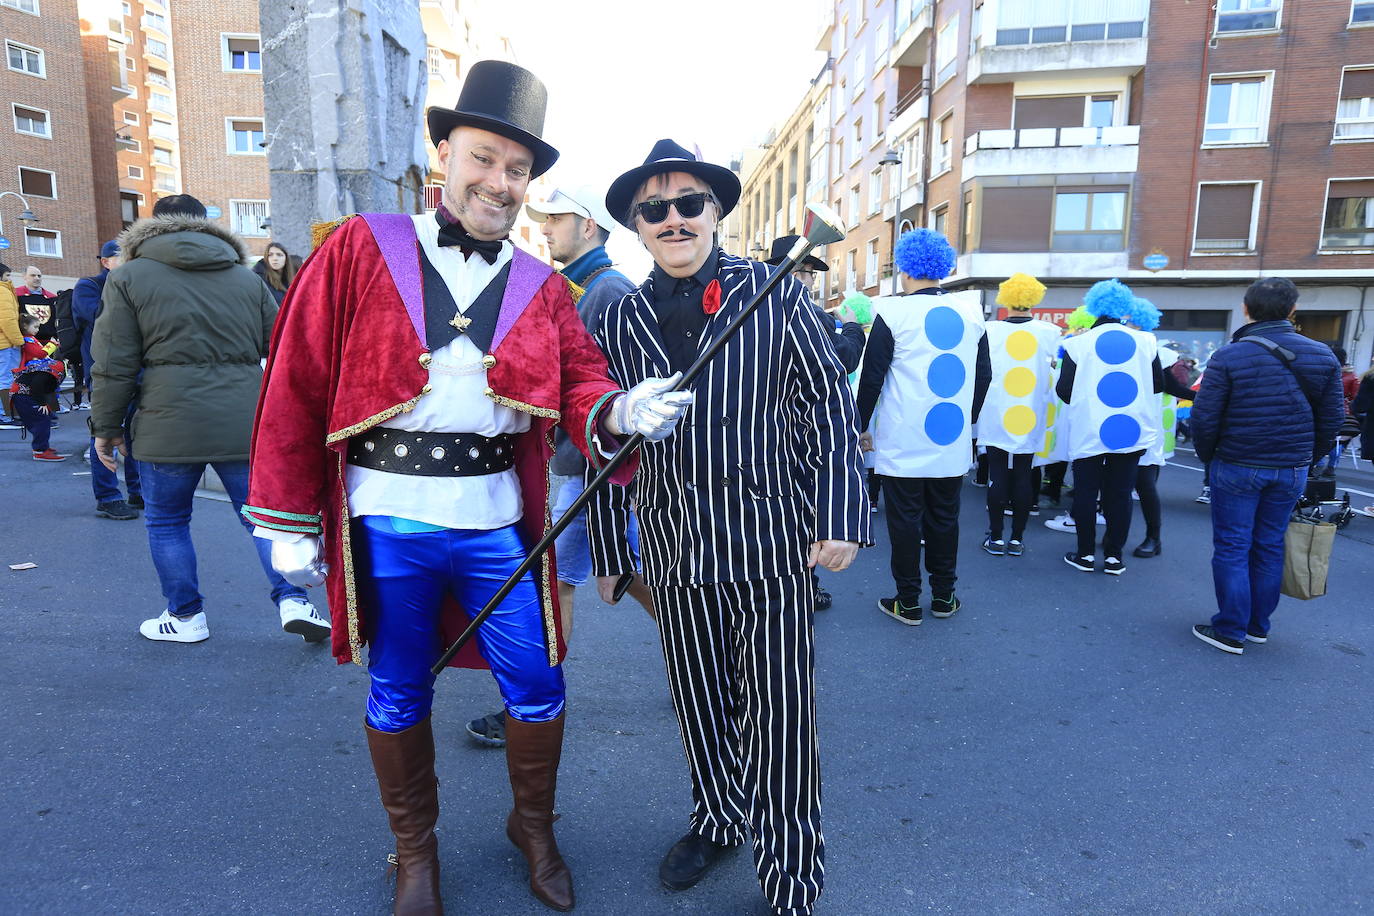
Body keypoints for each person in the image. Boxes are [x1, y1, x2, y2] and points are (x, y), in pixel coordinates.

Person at [243, 63, 691, 915]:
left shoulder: (541, 286)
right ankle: (415, 853)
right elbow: (295, 379)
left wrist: (623, 411)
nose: (500, 182)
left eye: (518, 170)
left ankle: (535, 828)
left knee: (539, 684)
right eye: (484, 158)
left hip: (494, 523)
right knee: (398, 687)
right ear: (442, 153)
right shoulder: (359, 246)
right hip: (387, 519)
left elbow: (581, 386)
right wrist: (287, 517)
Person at [591, 139, 869, 916]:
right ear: (637, 228)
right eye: (655, 209)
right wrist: (613, 550)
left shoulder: (775, 292)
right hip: (676, 549)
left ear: (715, 213)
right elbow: (606, 443)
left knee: (782, 716)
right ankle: (718, 817)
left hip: (770, 548)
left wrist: (839, 515)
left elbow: (828, 413)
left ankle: (790, 876)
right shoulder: (617, 316)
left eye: (689, 204)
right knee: (698, 699)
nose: (673, 219)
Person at [460, 182, 652, 751]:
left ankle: (531, 704)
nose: (544, 228)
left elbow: (588, 383)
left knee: (557, 584)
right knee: (617, 577)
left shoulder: (604, 287)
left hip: (586, 467)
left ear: (588, 226)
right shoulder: (591, 284)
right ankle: (714, 655)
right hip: (582, 463)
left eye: (557, 219)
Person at [90, 193, 327, 645]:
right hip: (243, 419)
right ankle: (294, 600)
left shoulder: (129, 278)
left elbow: (113, 361)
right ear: (208, 228)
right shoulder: (246, 279)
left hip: (166, 421)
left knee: (167, 521)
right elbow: (280, 352)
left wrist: (106, 427)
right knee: (263, 520)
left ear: (151, 227)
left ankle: (185, 617)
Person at [1188, 277, 1344, 654]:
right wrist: (1307, 456)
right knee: (1270, 545)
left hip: (1238, 462)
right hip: (1290, 467)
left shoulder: (1229, 355)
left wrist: (1211, 458)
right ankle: (1258, 625)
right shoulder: (1323, 355)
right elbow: (1332, 420)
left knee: (1232, 545)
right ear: (1293, 310)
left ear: (1246, 308)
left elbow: (1204, 418)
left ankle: (1230, 628)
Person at [857, 228, 990, 624]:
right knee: (946, 518)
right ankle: (946, 595)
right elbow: (983, 376)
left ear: (905, 268)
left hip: (903, 439)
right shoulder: (970, 311)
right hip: (950, 438)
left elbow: (872, 378)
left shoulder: (892, 312)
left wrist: (858, 426)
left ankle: (908, 600)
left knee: (904, 520)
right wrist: (968, 423)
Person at [766, 234, 867, 610]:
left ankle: (801, 581)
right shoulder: (804, 314)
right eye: (801, 271)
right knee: (797, 515)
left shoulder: (756, 306)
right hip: (792, 435)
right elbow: (844, 358)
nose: (807, 280)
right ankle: (802, 584)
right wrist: (854, 326)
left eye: (810, 273)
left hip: (788, 435)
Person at [1056, 280, 1164, 575]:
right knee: (1120, 493)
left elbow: (1064, 390)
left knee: (1087, 492)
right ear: (1124, 307)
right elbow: (1158, 385)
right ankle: (1115, 556)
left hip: (1089, 428)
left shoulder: (1076, 345)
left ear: (1093, 306)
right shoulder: (1146, 342)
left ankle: (1085, 555)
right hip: (1130, 429)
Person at [976, 273, 1059, 556]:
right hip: (1031, 412)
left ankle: (996, 537)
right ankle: (1017, 539)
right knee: (1024, 473)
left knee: (997, 474)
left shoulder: (990, 329)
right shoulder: (1049, 332)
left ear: (1006, 298)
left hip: (997, 409)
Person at [73, 240, 142, 520]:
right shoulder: (88, 286)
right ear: (106, 262)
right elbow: (103, 317)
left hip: (138, 371)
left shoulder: (135, 286)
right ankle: (108, 497)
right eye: (123, 258)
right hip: (104, 373)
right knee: (104, 431)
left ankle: (137, 491)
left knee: (136, 433)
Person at [1125, 298, 1195, 558]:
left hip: (1146, 429)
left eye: (1128, 320)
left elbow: (1171, 387)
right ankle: (1114, 535)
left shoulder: (1158, 351)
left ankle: (1153, 538)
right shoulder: (1113, 347)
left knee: (1144, 486)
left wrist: (1203, 397)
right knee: (1116, 486)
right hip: (1119, 427)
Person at [8, 314, 66, 460]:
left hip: (25, 389)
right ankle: (40, 450)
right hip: (25, 390)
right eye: (35, 326)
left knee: (44, 418)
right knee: (42, 419)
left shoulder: (32, 341)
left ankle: (42, 446)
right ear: (25, 327)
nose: (37, 330)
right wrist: (42, 403)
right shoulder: (28, 341)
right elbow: (39, 355)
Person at [0, 261, 23, 427]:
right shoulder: (3, 291)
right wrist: (19, 340)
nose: (10, 279)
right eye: (8, 275)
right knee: (6, 380)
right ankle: (5, 416)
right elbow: (7, 320)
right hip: (6, 344)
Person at [15, 266, 57, 344]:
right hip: (25, 342)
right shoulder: (15, 295)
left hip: (49, 342)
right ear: (24, 277)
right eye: (33, 275)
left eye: (39, 276)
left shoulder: (52, 298)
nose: (37, 278)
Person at [252, 241, 298, 306]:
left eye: (279, 255)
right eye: (270, 255)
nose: (275, 258)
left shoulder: (290, 277)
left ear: (286, 258)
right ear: (266, 258)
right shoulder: (259, 279)